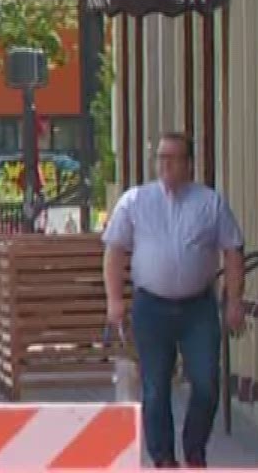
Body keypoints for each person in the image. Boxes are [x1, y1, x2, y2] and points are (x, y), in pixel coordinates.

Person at [102, 131, 246, 469]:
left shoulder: (209, 203)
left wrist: (236, 300)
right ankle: (164, 458)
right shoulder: (135, 201)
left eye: (172, 158)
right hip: (151, 306)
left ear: (189, 164)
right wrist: (114, 301)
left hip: (198, 307)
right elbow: (114, 251)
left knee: (207, 382)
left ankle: (194, 449)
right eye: (160, 158)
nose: (164, 164)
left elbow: (233, 251)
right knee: (155, 387)